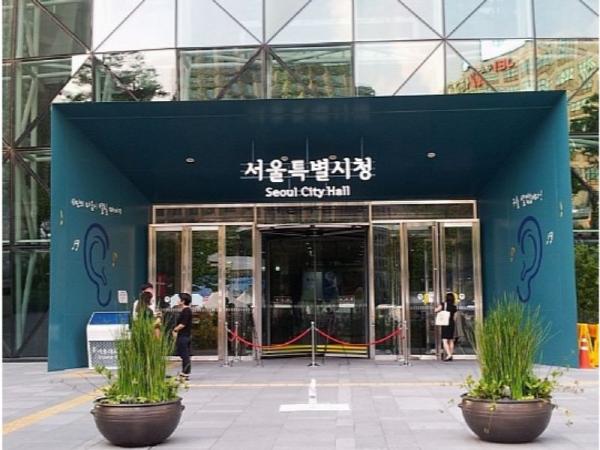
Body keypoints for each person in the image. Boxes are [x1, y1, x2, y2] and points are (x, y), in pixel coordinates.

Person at [172, 293, 192, 379]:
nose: (177, 301)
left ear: (183, 301)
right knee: (184, 354)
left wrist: (175, 329)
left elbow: (183, 324)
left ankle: (186, 372)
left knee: (185, 355)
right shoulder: (185, 310)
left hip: (184, 335)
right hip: (184, 335)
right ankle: (185, 372)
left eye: (179, 299)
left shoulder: (186, 311)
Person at [435, 292, 458, 361]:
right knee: (451, 340)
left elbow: (436, 310)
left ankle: (449, 355)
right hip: (451, 323)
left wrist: (437, 308)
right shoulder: (454, 306)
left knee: (444, 340)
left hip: (445, 323)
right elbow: (455, 317)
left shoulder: (443, 304)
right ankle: (450, 354)